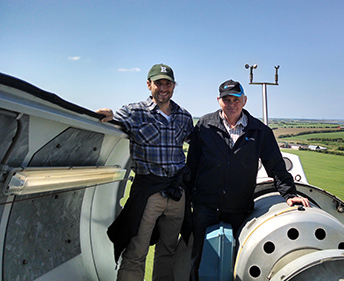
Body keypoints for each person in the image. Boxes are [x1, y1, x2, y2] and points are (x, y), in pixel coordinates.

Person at [186, 79, 310, 280]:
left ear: (244, 100)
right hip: (205, 206)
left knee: (238, 261)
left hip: (238, 208)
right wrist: (188, 199)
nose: (231, 103)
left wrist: (289, 193)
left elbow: (276, 165)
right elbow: (192, 164)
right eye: (226, 99)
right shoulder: (205, 126)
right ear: (219, 101)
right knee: (199, 259)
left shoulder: (259, 131)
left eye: (236, 99)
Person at [96, 63, 193, 281]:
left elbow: (197, 142)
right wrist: (108, 114)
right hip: (149, 192)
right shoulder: (135, 112)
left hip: (177, 193)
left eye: (167, 83)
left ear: (174, 86)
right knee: (137, 250)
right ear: (149, 85)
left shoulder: (183, 116)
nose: (163, 88)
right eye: (158, 83)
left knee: (168, 250)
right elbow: (116, 118)